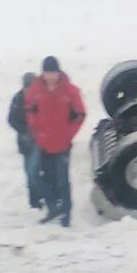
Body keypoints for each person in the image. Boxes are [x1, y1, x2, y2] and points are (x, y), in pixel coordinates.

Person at [24, 56, 86, 227]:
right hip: (43, 142)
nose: (50, 77)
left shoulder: (70, 91)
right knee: (38, 175)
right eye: (47, 73)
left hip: (62, 143)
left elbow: (80, 114)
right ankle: (53, 207)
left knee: (63, 180)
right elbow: (29, 109)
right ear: (42, 73)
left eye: (53, 73)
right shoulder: (35, 90)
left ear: (58, 73)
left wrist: (68, 134)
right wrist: (36, 129)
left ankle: (66, 214)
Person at [7, 71, 43, 209]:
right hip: (26, 143)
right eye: (27, 87)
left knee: (36, 170)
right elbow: (12, 119)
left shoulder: (41, 98)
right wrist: (24, 131)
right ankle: (35, 202)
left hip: (40, 141)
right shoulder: (18, 99)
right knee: (30, 173)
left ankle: (42, 198)